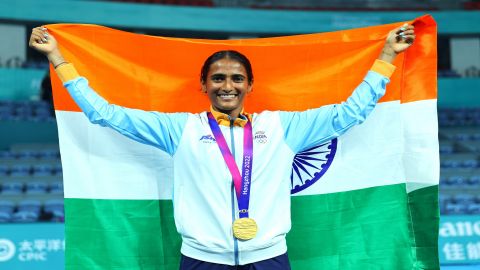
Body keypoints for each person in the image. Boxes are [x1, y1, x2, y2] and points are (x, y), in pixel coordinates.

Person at [29, 24, 415, 270]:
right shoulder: (177, 129)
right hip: (200, 260)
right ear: (204, 85)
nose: (226, 85)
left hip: (268, 259)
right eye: (217, 78)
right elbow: (105, 114)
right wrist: (57, 58)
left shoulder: (282, 127)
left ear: (249, 85)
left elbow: (351, 112)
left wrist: (387, 55)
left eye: (236, 78)